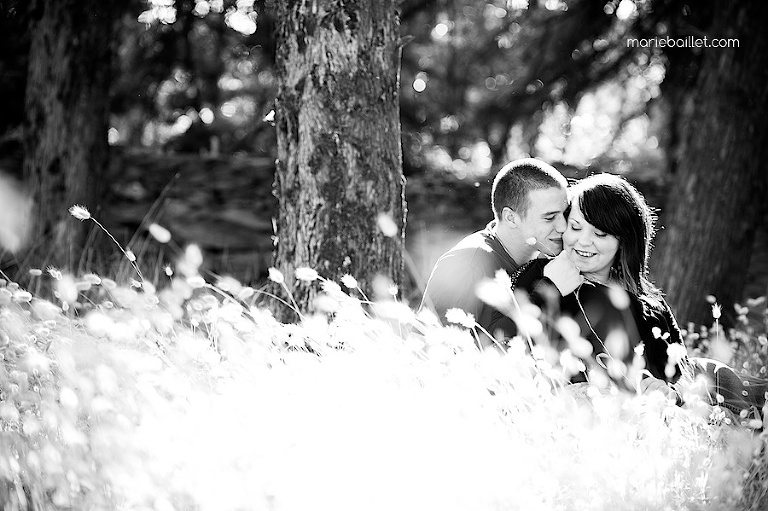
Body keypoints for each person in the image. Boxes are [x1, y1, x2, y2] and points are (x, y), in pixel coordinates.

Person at [510, 173, 768, 418]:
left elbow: (681, 368)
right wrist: (551, 287)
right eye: (575, 227)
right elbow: (512, 339)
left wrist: (672, 391)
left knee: (731, 385)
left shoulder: (648, 303)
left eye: (600, 234)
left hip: (673, 404)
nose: (582, 242)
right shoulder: (542, 276)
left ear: (624, 240)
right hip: (600, 410)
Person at [420, 158, 582, 345]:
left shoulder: (551, 261)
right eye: (549, 217)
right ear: (511, 218)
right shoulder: (468, 264)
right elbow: (432, 351)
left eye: (565, 213)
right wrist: (546, 292)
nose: (563, 226)